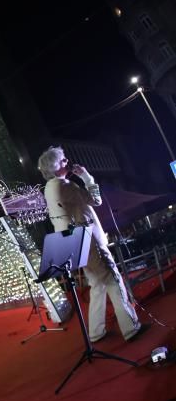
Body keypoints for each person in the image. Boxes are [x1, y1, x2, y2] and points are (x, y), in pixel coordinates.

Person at [37, 145, 144, 343]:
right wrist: (87, 178)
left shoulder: (51, 188)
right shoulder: (64, 185)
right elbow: (96, 200)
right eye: (63, 160)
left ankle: (96, 331)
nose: (67, 161)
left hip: (78, 243)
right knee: (112, 278)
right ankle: (130, 327)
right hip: (89, 241)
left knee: (97, 284)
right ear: (54, 166)